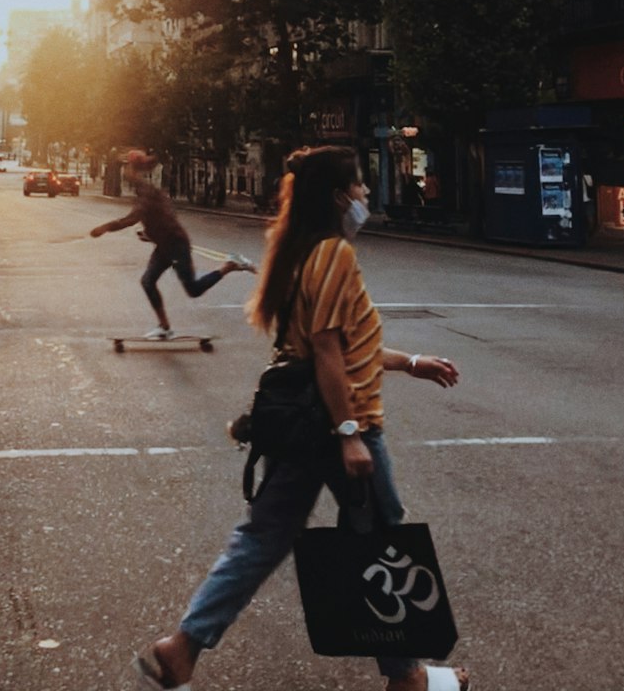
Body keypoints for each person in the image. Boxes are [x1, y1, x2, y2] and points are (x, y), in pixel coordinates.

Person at [134, 144, 469, 691]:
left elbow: (338, 347)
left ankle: (183, 646)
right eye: (359, 186)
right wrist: (349, 435)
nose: (364, 195)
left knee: (263, 537)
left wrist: (409, 363)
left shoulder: (298, 254)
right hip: (341, 422)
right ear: (339, 197)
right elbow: (329, 352)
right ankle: (406, 675)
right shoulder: (333, 254)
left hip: (300, 425)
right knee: (383, 539)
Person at [89, 150, 255, 339]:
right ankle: (164, 327)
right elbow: (165, 218)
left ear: (134, 172)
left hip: (177, 246)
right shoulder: (147, 191)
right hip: (165, 247)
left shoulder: (146, 195)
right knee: (147, 282)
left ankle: (230, 265)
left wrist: (103, 228)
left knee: (194, 290)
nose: (125, 173)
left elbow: (128, 221)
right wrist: (151, 235)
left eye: (127, 169)